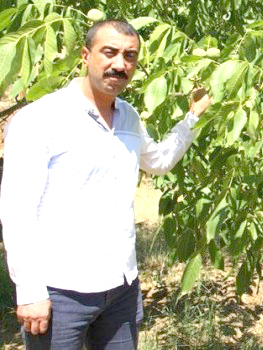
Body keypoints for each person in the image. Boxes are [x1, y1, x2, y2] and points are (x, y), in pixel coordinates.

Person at [0, 19, 211, 349]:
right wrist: (29, 291)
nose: (120, 64)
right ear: (85, 55)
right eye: (109, 52)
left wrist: (193, 118)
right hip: (61, 290)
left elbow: (157, 161)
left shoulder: (129, 116)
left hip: (121, 288)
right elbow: (17, 211)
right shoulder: (40, 119)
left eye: (129, 56)